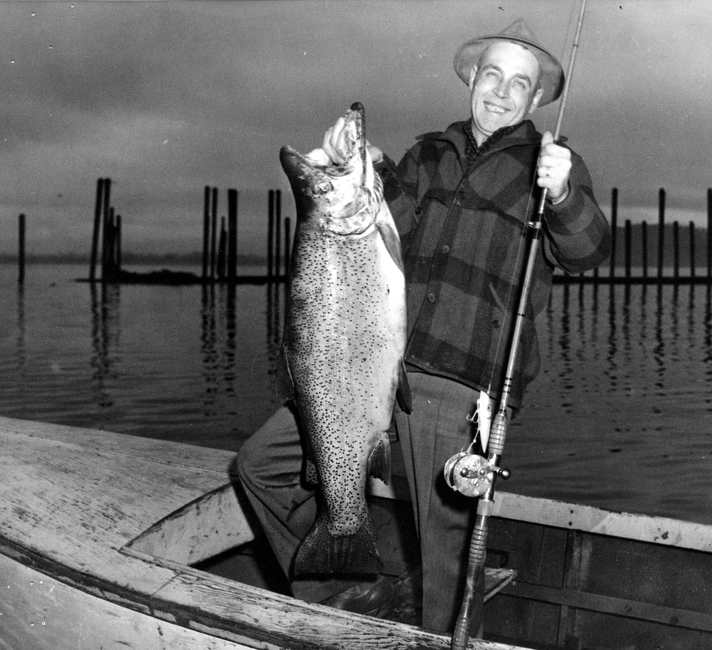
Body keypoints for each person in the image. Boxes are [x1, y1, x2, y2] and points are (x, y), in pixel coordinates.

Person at [237, 17, 611, 635]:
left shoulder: (550, 168)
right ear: (471, 81)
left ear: (537, 98)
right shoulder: (429, 154)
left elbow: (589, 251)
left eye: (519, 83)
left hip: (464, 390)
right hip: (377, 372)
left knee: (447, 563)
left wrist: (565, 193)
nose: (500, 90)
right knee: (258, 466)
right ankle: (335, 596)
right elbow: (376, 228)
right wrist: (350, 162)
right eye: (491, 73)